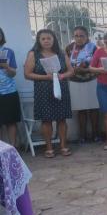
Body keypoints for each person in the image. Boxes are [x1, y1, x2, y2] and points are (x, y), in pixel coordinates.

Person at [24, 29, 74, 157]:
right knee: (46, 120)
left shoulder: (61, 53)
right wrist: (46, 77)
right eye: (43, 39)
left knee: (62, 119)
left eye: (49, 38)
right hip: (43, 90)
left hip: (61, 89)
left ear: (54, 40)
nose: (46, 41)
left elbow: (71, 71)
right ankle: (49, 148)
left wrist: (62, 76)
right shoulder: (33, 54)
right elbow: (27, 74)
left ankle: (63, 146)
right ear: (39, 40)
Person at [65, 26, 99, 143]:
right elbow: (65, 65)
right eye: (76, 36)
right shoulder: (69, 48)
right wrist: (74, 70)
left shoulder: (94, 48)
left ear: (87, 36)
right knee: (81, 110)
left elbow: (98, 64)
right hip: (75, 82)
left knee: (94, 108)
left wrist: (85, 70)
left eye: (81, 36)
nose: (79, 38)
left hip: (92, 80)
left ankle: (95, 134)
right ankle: (82, 136)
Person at [0, 27, 21, 146]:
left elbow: (13, 73)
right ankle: (1, 151)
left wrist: (6, 67)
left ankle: (13, 149)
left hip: (9, 91)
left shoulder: (8, 52)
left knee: (11, 121)